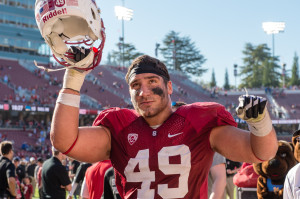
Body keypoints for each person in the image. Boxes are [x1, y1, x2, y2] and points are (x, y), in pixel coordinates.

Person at [35, 3, 277, 197]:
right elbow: (65, 142)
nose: (144, 91)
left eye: (152, 82)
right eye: (135, 85)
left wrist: (260, 122)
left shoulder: (198, 122)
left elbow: (260, 153)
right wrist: (74, 77)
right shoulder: (119, 128)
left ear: (169, 86)